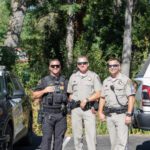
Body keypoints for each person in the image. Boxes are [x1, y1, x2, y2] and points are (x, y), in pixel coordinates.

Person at [98, 57, 135, 150]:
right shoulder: (106, 81)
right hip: (110, 115)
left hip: (122, 115)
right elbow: (102, 98)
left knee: (122, 143)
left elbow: (131, 97)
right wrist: (100, 112)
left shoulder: (126, 80)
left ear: (119, 67)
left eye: (115, 65)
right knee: (113, 143)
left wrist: (129, 114)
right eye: (110, 66)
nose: (112, 67)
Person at [32, 59, 68, 150]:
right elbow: (34, 95)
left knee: (59, 140)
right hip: (48, 115)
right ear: (49, 67)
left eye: (57, 66)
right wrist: (45, 90)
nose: (55, 67)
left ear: (60, 67)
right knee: (46, 140)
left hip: (61, 114)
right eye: (53, 66)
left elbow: (70, 96)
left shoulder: (65, 80)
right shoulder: (44, 81)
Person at [67, 56, 102, 150]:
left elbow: (99, 93)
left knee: (91, 136)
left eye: (84, 63)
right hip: (76, 110)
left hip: (89, 109)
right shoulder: (73, 77)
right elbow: (69, 94)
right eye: (80, 63)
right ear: (77, 65)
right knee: (77, 136)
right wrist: (72, 106)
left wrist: (87, 100)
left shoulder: (94, 76)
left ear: (88, 64)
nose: (82, 65)